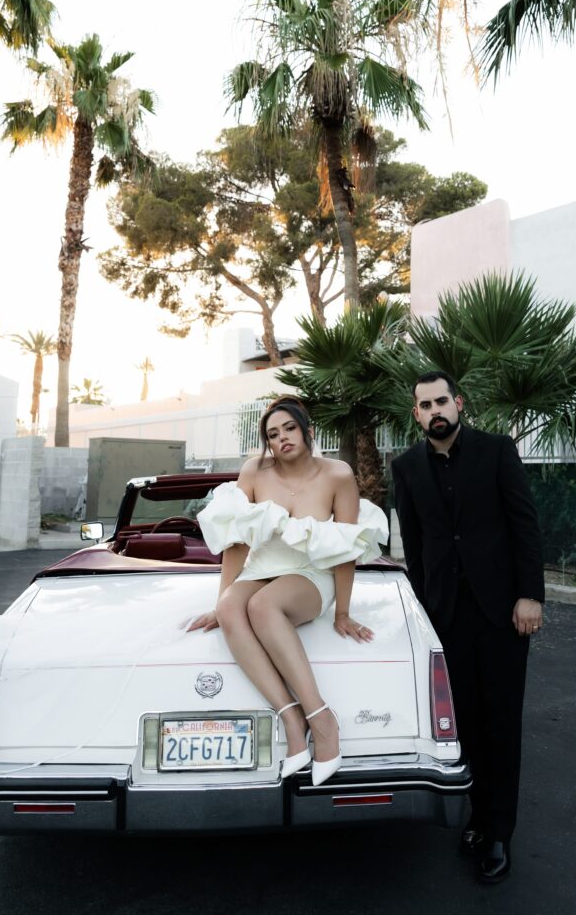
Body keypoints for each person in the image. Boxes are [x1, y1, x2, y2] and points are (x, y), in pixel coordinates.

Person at [187, 395, 388, 786]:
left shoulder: (338, 475)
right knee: (232, 610)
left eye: (289, 428)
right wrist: (221, 600)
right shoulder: (254, 472)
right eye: (273, 434)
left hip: (311, 573)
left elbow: (346, 549)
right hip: (263, 567)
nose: (282, 439)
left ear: (308, 431)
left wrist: (342, 612)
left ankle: (322, 719)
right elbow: (236, 542)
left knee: (263, 606)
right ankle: (291, 718)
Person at [391, 371, 544, 885]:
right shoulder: (407, 466)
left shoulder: (497, 451)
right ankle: (478, 817)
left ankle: (501, 831)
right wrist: (421, 609)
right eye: (424, 404)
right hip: (446, 616)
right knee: (466, 727)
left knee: (501, 723)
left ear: (457, 403)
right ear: (416, 414)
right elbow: (414, 546)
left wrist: (530, 594)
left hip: (503, 612)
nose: (434, 410)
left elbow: (524, 523)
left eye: (441, 400)